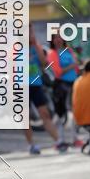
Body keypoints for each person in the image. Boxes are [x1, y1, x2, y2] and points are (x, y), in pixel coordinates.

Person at [26, 26, 67, 154]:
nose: (30, 34)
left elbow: (44, 63)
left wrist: (35, 45)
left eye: (31, 31)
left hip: (36, 85)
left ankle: (58, 142)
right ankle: (31, 145)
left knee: (45, 113)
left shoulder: (36, 47)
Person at [47, 31, 80, 143]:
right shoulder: (52, 53)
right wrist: (72, 66)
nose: (58, 39)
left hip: (74, 84)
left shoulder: (68, 50)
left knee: (74, 111)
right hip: (61, 85)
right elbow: (58, 72)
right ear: (52, 40)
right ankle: (60, 139)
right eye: (55, 37)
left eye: (60, 37)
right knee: (60, 113)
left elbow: (77, 67)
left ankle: (75, 138)